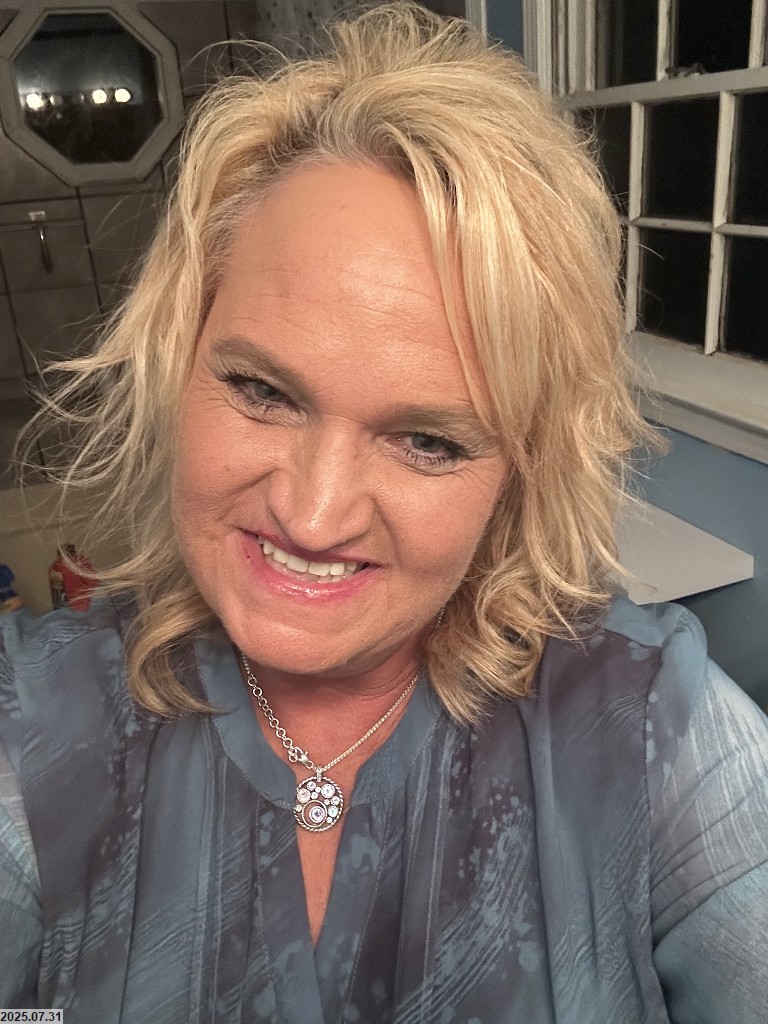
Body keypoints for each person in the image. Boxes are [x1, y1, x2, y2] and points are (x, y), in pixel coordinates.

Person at [1, 4, 766, 1021]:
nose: (314, 515)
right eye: (263, 391)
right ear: (178, 362)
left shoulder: (654, 729)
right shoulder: (34, 726)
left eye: (429, 442)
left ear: (519, 473)